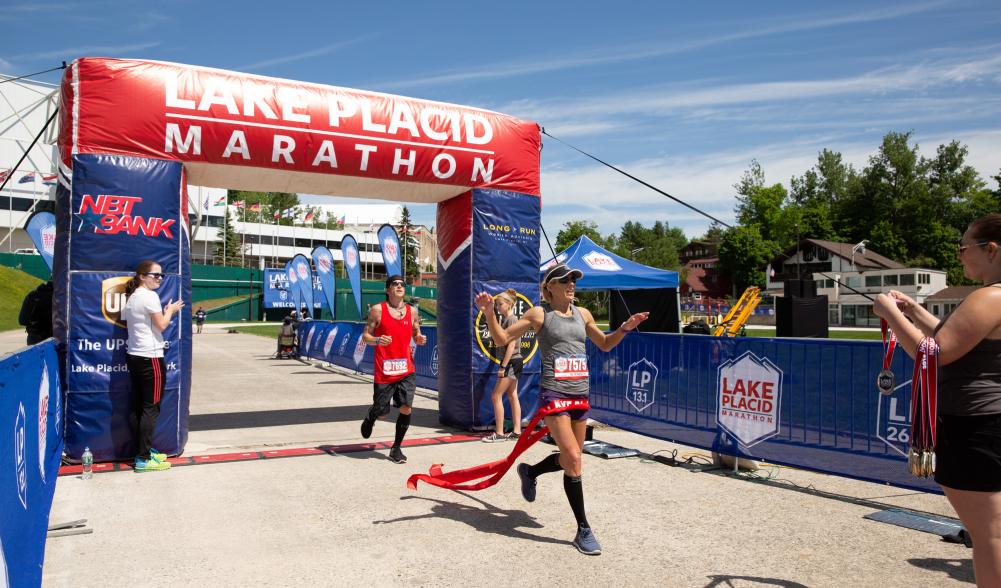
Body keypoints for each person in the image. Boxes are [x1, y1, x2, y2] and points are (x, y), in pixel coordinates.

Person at [475, 263, 648, 555]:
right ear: (549, 287)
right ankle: (583, 529)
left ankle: (530, 472)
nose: (571, 284)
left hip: (580, 394)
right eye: (564, 280)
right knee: (575, 459)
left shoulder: (584, 314)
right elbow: (502, 339)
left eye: (573, 280)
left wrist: (623, 329)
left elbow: (605, 344)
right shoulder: (540, 314)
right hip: (554, 393)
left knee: (571, 460)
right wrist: (489, 313)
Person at [874, 213, 1001, 586]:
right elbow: (955, 338)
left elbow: (935, 354)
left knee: (989, 536)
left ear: (991, 250)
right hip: (988, 422)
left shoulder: (988, 298)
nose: (960, 255)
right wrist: (912, 311)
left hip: (973, 427)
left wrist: (889, 315)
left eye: (964, 247)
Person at [122, 260, 184, 473]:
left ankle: (142, 451)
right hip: (150, 357)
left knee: (139, 406)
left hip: (135, 356)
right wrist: (171, 310)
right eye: (155, 275)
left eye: (161, 276)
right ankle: (143, 457)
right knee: (151, 407)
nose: (159, 278)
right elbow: (162, 325)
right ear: (142, 276)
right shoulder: (149, 296)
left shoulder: (132, 297)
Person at [359, 275, 427, 464]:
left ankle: (396, 448)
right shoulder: (377, 310)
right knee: (382, 412)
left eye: (401, 284)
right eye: (394, 284)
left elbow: (415, 331)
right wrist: (378, 340)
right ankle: (371, 416)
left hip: (406, 368)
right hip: (385, 370)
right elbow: (365, 336)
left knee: (406, 407)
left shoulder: (412, 311)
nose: (399, 286)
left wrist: (419, 337)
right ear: (388, 290)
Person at [482, 289, 523, 442]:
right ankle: (517, 431)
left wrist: (503, 366)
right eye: (497, 304)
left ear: (509, 304)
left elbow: (511, 346)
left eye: (500, 304)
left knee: (496, 395)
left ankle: (499, 433)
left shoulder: (512, 319)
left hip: (512, 360)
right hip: (515, 361)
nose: (498, 307)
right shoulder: (505, 320)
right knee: (512, 396)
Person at [18, 280, 53, 345]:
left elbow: (22, 320)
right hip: (57, 341)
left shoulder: (33, 295)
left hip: (35, 339)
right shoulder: (65, 298)